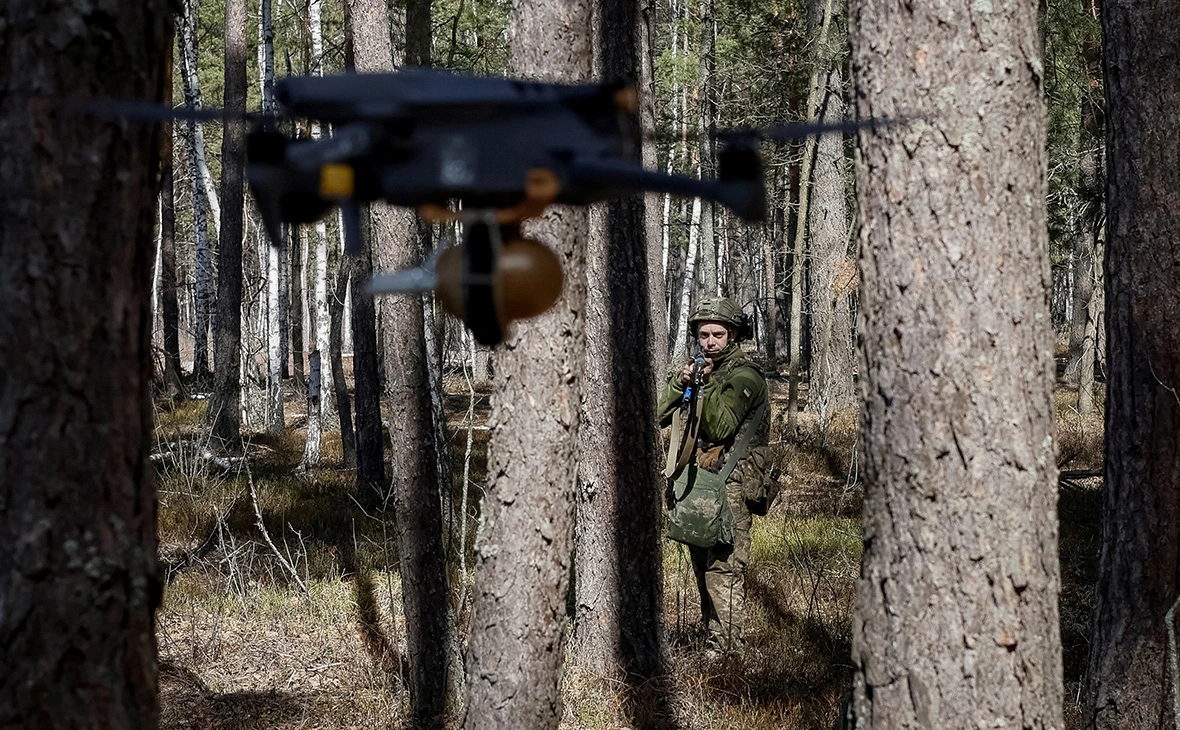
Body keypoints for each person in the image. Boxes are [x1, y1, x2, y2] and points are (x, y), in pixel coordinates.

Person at [658, 297, 769, 654]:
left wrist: (704, 389)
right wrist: (682, 383)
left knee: (724, 567)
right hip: (700, 480)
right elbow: (659, 414)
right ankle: (713, 643)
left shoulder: (744, 375)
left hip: (732, 481)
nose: (709, 341)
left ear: (733, 334)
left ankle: (729, 653)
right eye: (703, 334)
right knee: (701, 562)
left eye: (717, 334)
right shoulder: (699, 369)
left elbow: (721, 427)